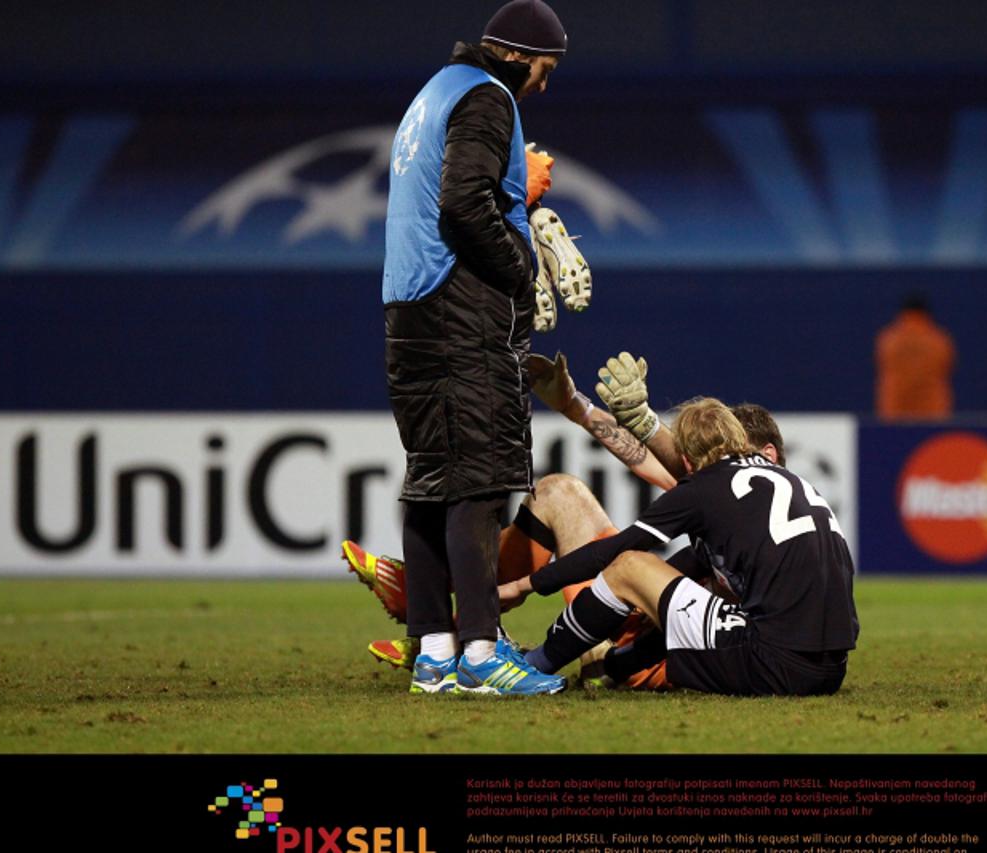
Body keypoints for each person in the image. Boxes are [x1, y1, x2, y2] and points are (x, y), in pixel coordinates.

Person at [380, 0, 571, 695]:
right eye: (543, 70)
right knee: (480, 481)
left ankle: (434, 650)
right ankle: (482, 654)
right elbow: (463, 204)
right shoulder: (488, 98)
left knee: (433, 477)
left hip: (407, 305)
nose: (542, 87)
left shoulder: (432, 94)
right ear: (517, 56)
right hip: (460, 310)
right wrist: (520, 272)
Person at [501, 397, 859, 696]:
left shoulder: (705, 488)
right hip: (831, 670)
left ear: (686, 462)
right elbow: (676, 610)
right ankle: (607, 666)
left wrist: (525, 585)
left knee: (628, 566)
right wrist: (616, 664)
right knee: (663, 590)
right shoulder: (788, 481)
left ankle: (531, 667)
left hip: (775, 663)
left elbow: (616, 553)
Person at [875, 293, 956, 420]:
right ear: (926, 313)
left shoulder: (888, 339)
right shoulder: (939, 340)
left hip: (894, 409)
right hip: (933, 410)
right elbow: (947, 366)